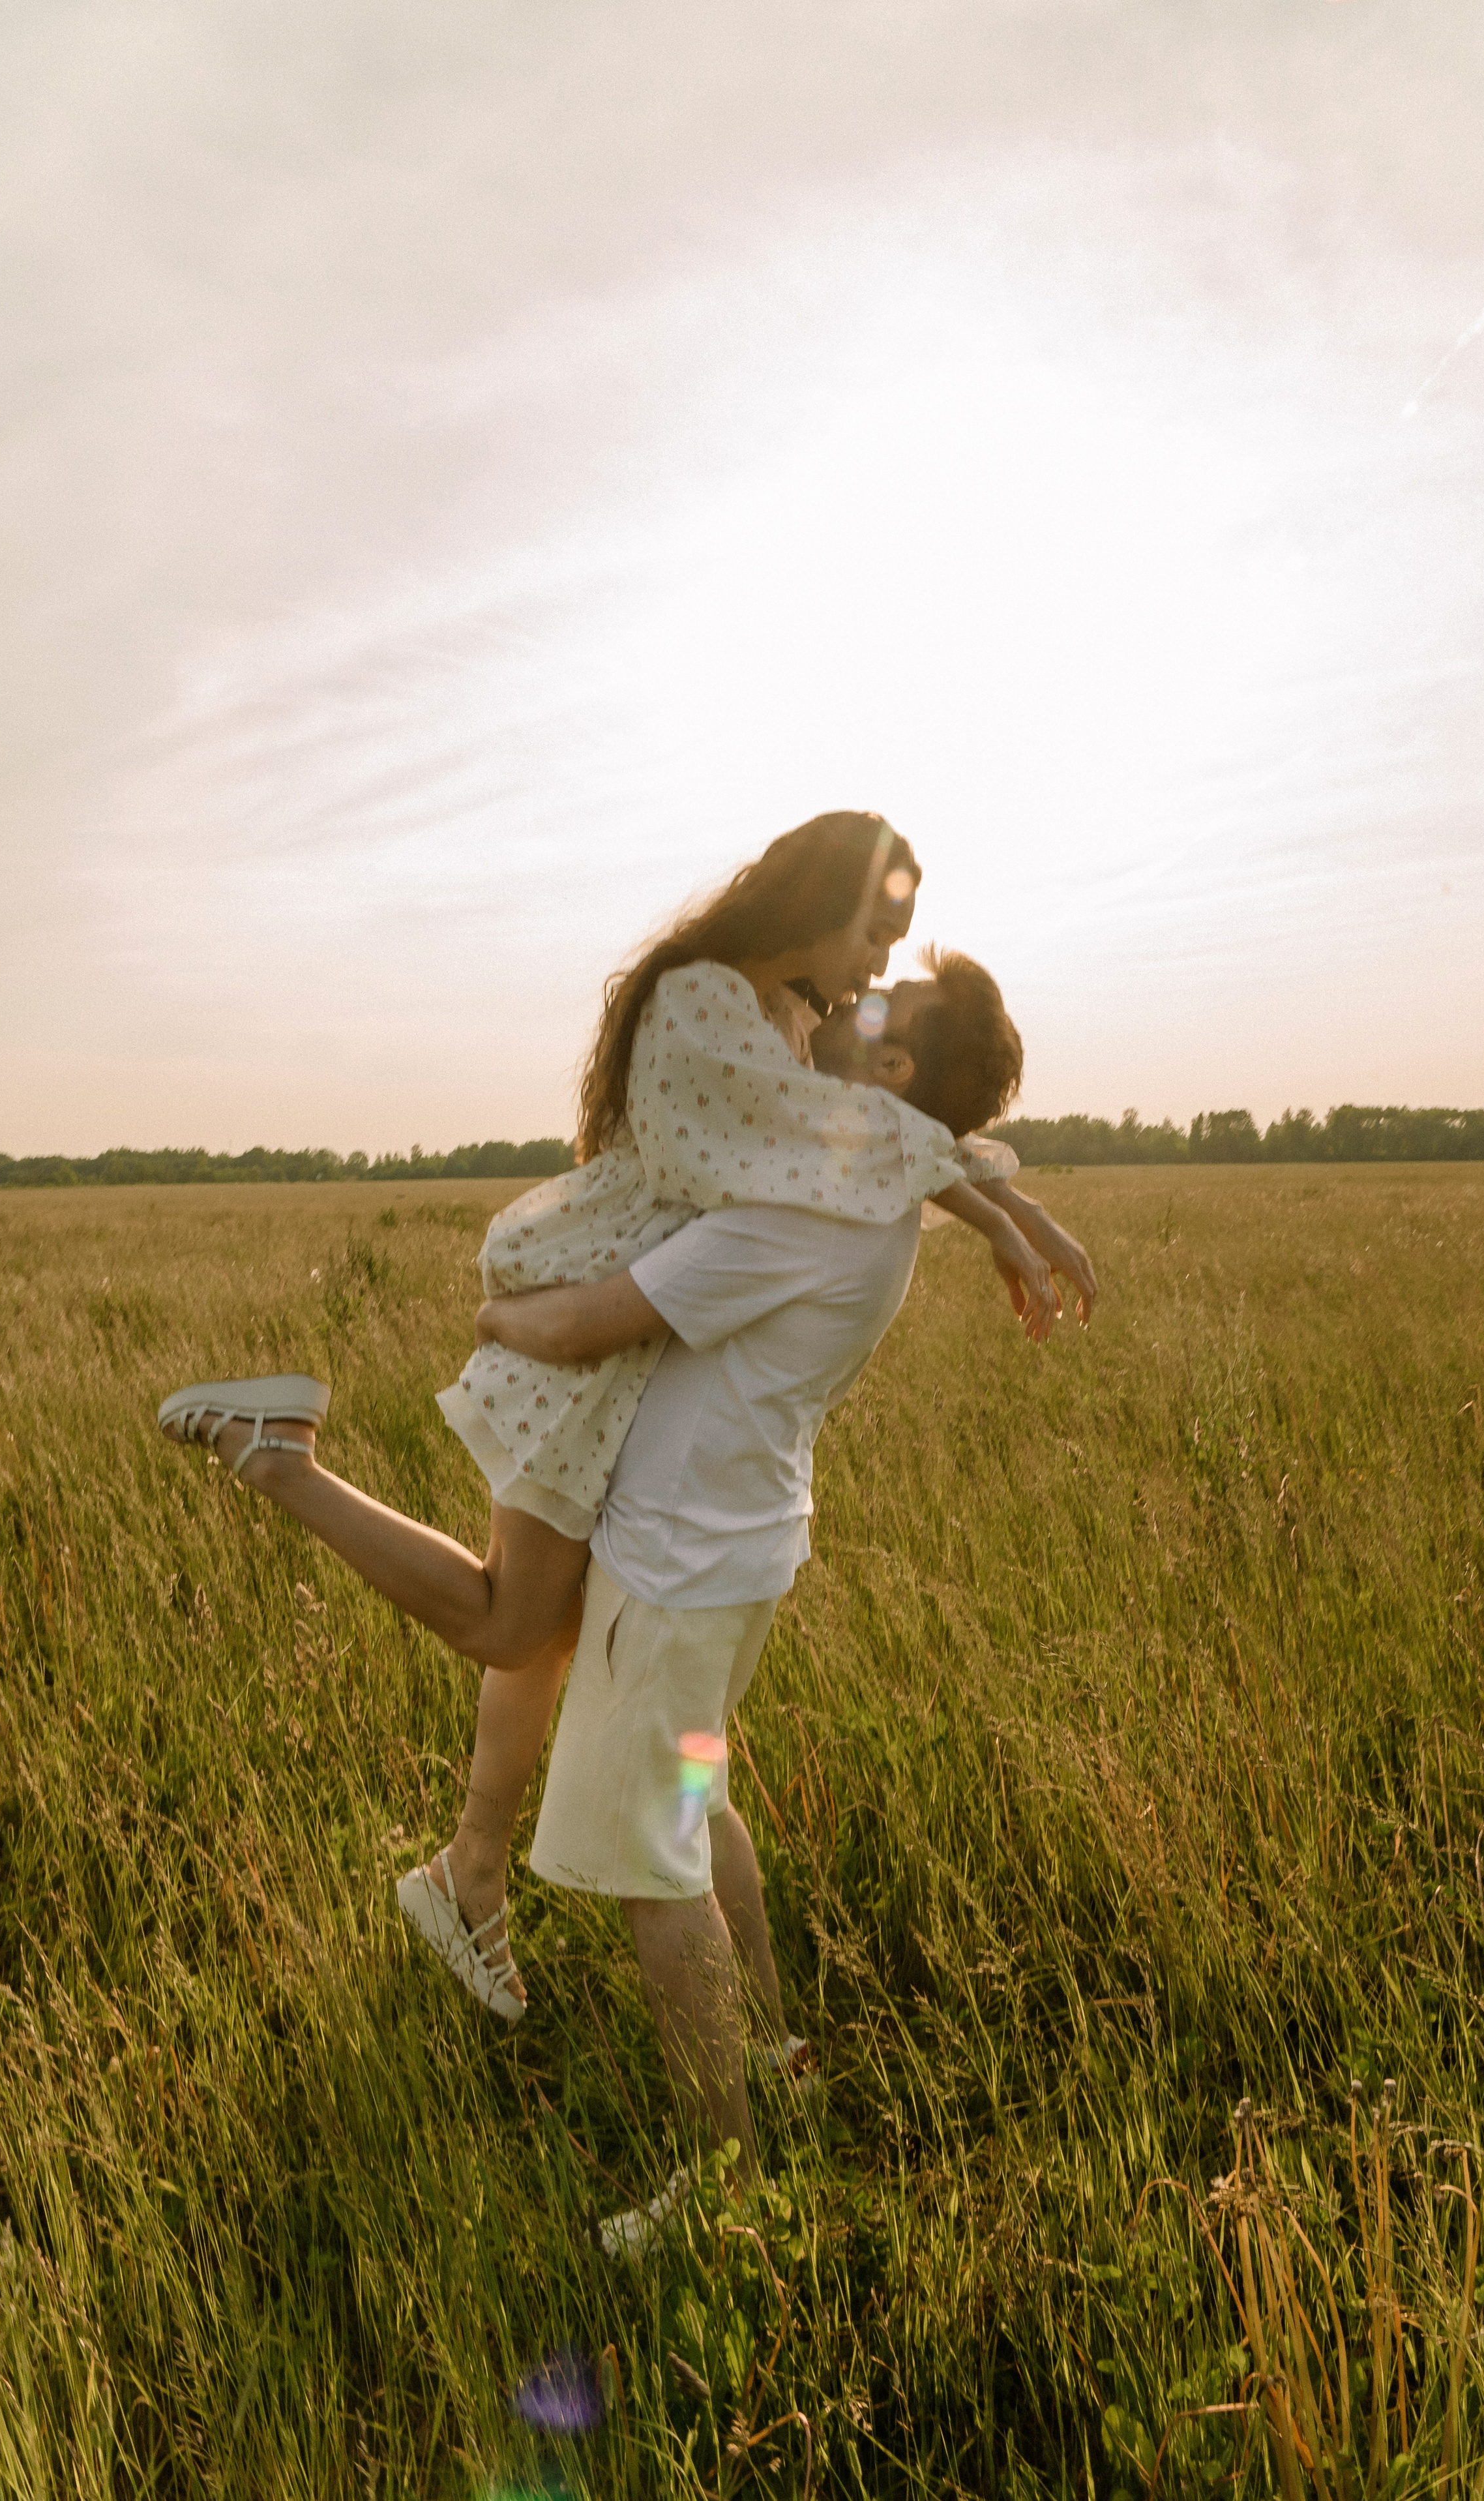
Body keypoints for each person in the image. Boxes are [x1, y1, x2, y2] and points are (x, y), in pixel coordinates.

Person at [155, 812, 1098, 2009]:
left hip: (637, 1324)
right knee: (513, 1626)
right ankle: (278, 1457)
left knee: (543, 1632)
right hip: (590, 1311)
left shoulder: (794, 1017)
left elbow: (861, 1139)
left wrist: (1010, 1210)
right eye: (877, 932)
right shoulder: (703, 1002)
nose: (876, 966)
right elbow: (848, 1137)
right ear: (813, 902)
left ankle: (473, 1878)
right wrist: (1010, 1215)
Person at [485, 973, 1096, 2255]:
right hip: (739, 1546)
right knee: (699, 1806)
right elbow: (911, 1148)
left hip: (672, 1567)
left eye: (882, 1007)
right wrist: (1004, 1208)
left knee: (658, 1881)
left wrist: (497, 1312)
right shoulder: (853, 1189)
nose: (850, 998)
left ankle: (723, 2184)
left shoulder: (793, 1221)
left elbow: (600, 1319)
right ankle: (770, 2054)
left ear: (880, 1082)